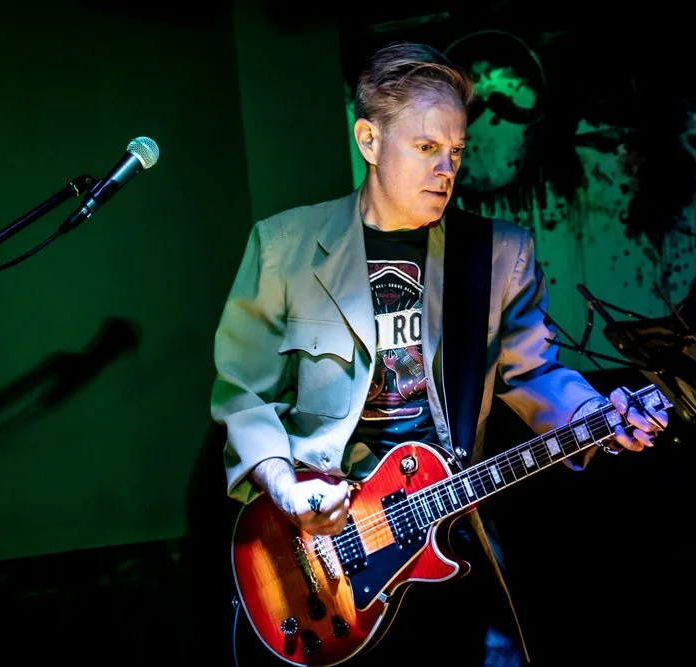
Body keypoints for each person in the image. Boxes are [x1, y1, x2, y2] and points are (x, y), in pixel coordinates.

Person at [210, 40, 668, 667]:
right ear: (369, 141)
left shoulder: (498, 253)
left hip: (448, 531)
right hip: (320, 542)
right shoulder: (283, 247)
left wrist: (599, 418)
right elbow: (244, 393)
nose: (446, 168)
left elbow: (534, 373)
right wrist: (286, 489)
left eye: (456, 151)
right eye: (426, 147)